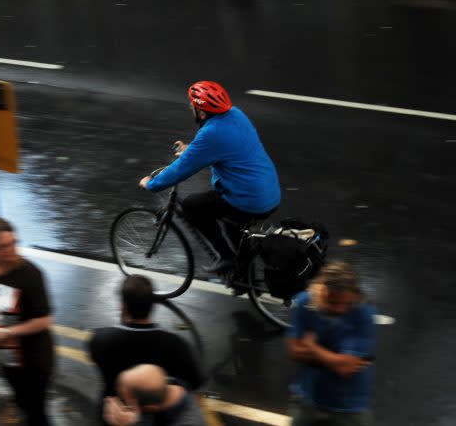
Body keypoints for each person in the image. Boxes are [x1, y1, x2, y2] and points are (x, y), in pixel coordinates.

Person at [139, 81, 281, 273]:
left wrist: (152, 184)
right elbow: (227, 148)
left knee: (191, 206)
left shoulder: (211, 133)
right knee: (233, 228)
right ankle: (243, 274)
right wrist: (192, 151)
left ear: (203, 113)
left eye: (193, 106)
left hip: (248, 198)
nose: (191, 108)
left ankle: (226, 257)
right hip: (269, 190)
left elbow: (180, 169)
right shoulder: (236, 115)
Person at [0, 217, 54, 426]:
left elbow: (45, 320)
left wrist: (7, 333)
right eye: (2, 247)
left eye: (13, 243)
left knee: (36, 412)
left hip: (35, 358)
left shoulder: (30, 274)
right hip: (8, 358)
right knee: (23, 403)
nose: (10, 250)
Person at [89, 275, 204, 414]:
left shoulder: (99, 339)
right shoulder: (176, 344)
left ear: (124, 307)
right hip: (159, 417)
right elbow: (195, 388)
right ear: (152, 305)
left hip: (114, 412)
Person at [286, 261, 376, 426]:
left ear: (354, 295)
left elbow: (346, 368)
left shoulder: (363, 314)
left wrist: (312, 347)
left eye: (347, 304)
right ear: (318, 291)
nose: (340, 309)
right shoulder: (303, 303)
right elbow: (295, 352)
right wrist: (336, 360)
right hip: (308, 399)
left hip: (349, 408)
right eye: (332, 303)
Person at [103, 364, 207, 426]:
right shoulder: (164, 383)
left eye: (126, 401)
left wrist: (133, 424)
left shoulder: (190, 423)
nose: (119, 401)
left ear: (150, 408)